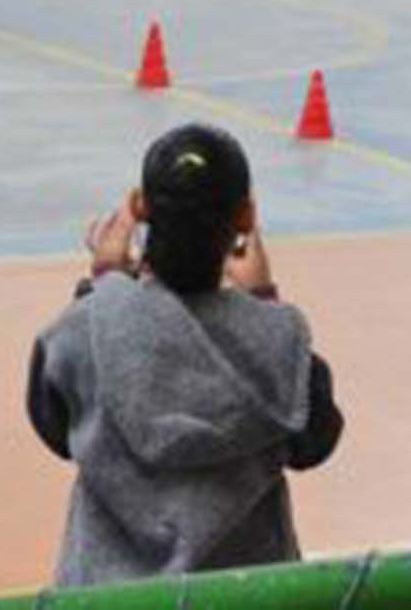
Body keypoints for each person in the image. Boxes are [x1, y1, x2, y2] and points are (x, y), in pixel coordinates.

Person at [28, 123, 343, 585]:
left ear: (139, 207)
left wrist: (101, 287)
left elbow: (57, 427)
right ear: (245, 217)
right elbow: (314, 441)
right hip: (242, 596)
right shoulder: (278, 339)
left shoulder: (86, 329)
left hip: (107, 595)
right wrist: (263, 300)